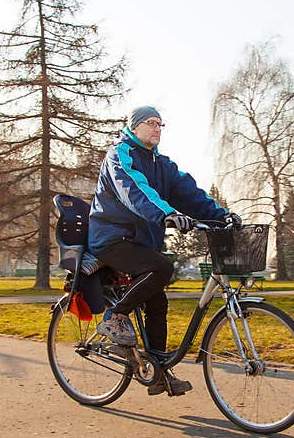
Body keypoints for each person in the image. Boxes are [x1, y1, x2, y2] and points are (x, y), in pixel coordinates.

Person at [87, 106, 241, 396]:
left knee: (158, 302)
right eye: (150, 123)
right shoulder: (120, 155)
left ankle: (159, 372)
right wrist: (167, 213)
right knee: (161, 268)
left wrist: (223, 215)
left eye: (160, 124)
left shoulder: (163, 165)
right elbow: (135, 190)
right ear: (134, 127)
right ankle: (115, 318)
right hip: (111, 238)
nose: (157, 129)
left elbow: (191, 194)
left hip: (142, 243)